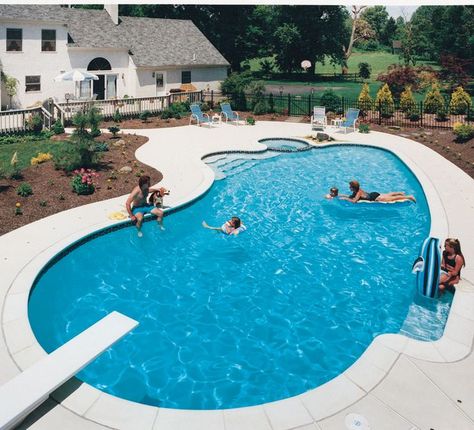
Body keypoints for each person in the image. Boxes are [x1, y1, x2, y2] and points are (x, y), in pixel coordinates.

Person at [342, 180, 416, 203]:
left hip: (376, 198)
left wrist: (346, 199)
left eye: (350, 187)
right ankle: (400, 192)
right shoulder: (357, 190)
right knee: (387, 194)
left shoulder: (358, 192)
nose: (349, 187)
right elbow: (350, 196)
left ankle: (408, 197)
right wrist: (339, 195)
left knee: (392, 199)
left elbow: (354, 201)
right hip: (373, 194)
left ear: (353, 188)